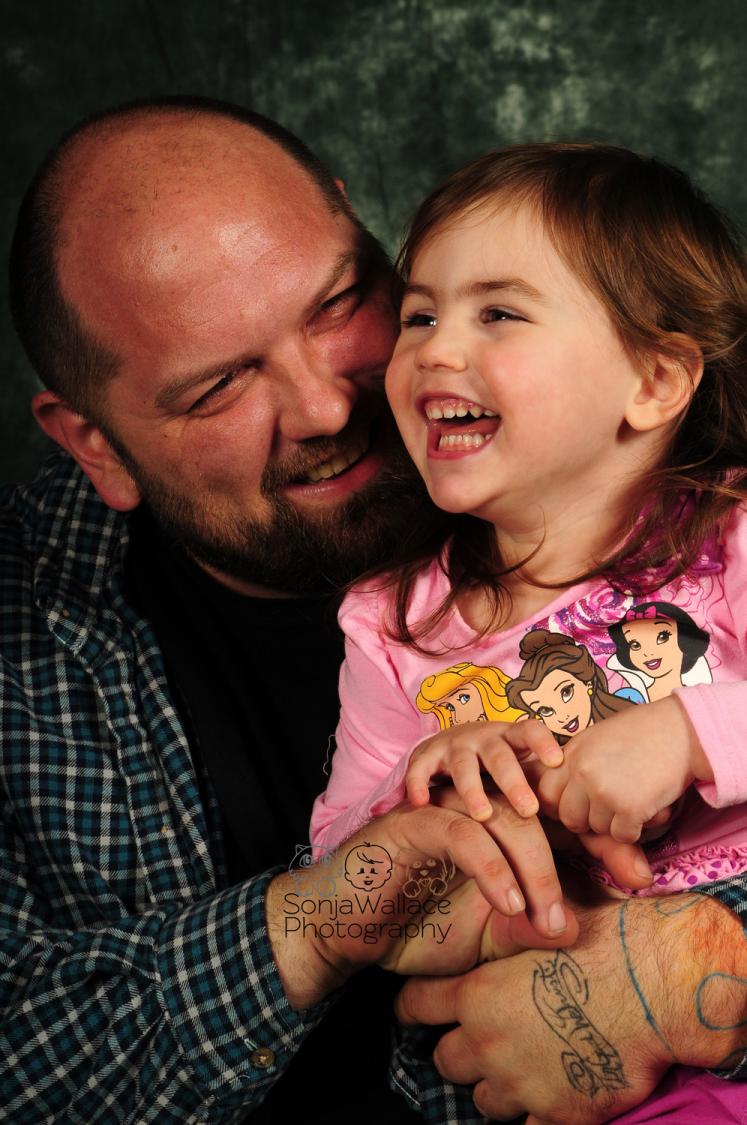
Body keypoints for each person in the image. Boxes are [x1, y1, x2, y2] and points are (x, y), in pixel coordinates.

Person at [3, 95, 587, 1124]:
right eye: (219, 387)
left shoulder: (622, 440)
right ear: (94, 445)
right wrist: (324, 919)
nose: (327, 405)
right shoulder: (26, 634)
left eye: (338, 304)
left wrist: (705, 961)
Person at [310, 143, 747, 1120]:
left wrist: (689, 734)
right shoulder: (393, 623)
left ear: (654, 381)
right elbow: (336, 856)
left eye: (498, 313)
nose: (434, 350)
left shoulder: (729, 537)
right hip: (531, 1037)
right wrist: (425, 785)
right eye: (419, 315)